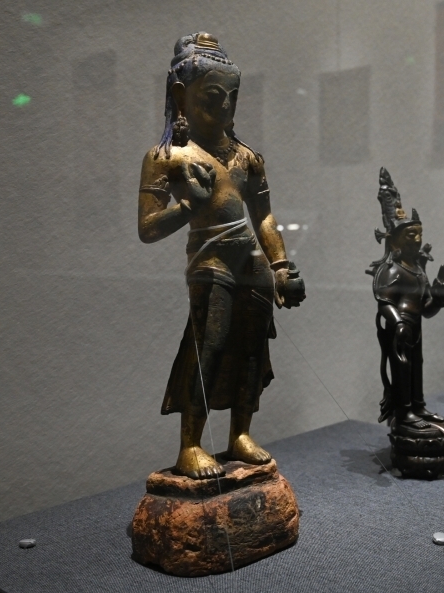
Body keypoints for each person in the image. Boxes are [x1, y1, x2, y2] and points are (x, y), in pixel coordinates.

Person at [137, 33, 305, 479]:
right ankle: (190, 445)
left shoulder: (247, 158)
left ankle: (240, 435)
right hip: (209, 260)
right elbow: (148, 228)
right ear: (181, 95)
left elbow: (264, 218)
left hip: (252, 262)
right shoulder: (168, 157)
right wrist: (187, 207)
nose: (226, 106)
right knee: (208, 347)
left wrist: (281, 266)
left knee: (251, 348)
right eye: (213, 96)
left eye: (232, 97)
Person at [368, 168, 444, 435]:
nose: (417, 240)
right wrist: (397, 323)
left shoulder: (417, 269)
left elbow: (425, 310)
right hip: (400, 329)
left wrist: (439, 299)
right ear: (394, 241)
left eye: (419, 234)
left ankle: (418, 405)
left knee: (417, 365)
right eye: (410, 235)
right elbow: (384, 302)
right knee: (402, 367)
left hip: (415, 326)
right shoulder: (391, 270)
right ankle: (404, 413)